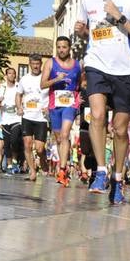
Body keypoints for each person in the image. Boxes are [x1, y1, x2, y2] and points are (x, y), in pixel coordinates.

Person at [73, 0, 130, 205]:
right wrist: (82, 32)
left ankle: (117, 179)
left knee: (120, 129)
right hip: (96, 64)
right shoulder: (88, 1)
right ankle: (101, 171)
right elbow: (92, 34)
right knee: (96, 115)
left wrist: (119, 16)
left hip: (125, 71)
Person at [43, 36, 83, 186]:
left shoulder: (77, 65)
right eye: (59, 47)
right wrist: (56, 79)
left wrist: (80, 97)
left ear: (69, 48)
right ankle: (63, 165)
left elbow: (81, 83)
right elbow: (42, 84)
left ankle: (62, 169)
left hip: (70, 104)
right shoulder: (50, 63)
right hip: (55, 104)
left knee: (65, 134)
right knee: (59, 138)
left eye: (64, 47)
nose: (61, 50)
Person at [20, 53, 50, 181]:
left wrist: (49, 107)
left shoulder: (46, 78)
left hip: (41, 118)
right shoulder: (24, 79)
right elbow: (18, 94)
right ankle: (32, 171)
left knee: (39, 149)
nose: (35, 66)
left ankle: (43, 159)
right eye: (33, 64)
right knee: (27, 144)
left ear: (41, 64)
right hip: (27, 116)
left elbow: (53, 93)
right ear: (30, 64)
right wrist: (19, 107)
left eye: (38, 64)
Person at [0, 68, 24, 174]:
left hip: (17, 118)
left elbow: (24, 97)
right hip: (4, 118)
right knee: (6, 144)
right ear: (6, 75)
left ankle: (15, 161)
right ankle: (10, 165)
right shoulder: (1, 87)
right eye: (9, 73)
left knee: (14, 140)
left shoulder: (19, 86)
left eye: (13, 73)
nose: (12, 75)